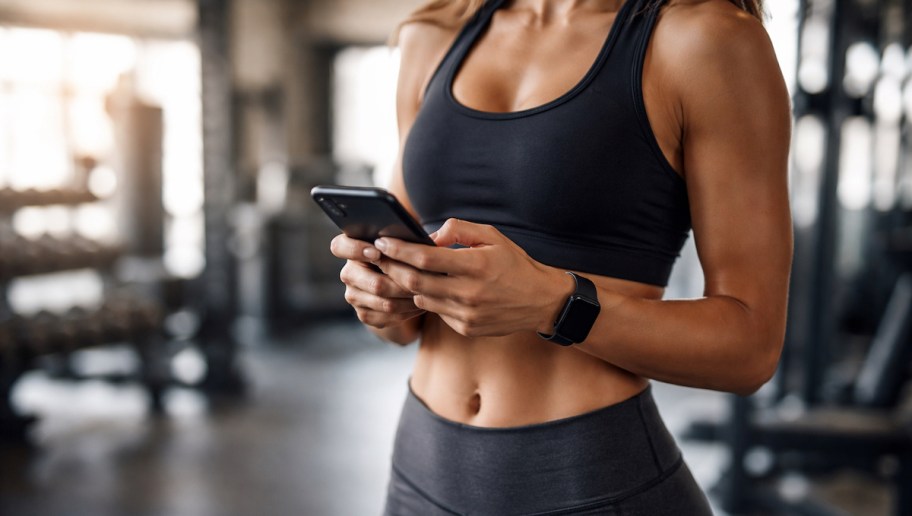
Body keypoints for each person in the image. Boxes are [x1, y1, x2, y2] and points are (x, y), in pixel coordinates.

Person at [330, 0, 791, 513]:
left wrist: (556, 304)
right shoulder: (434, 35)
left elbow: (751, 351)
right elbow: (402, 329)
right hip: (421, 474)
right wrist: (379, 295)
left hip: (589, 483)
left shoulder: (706, 39)